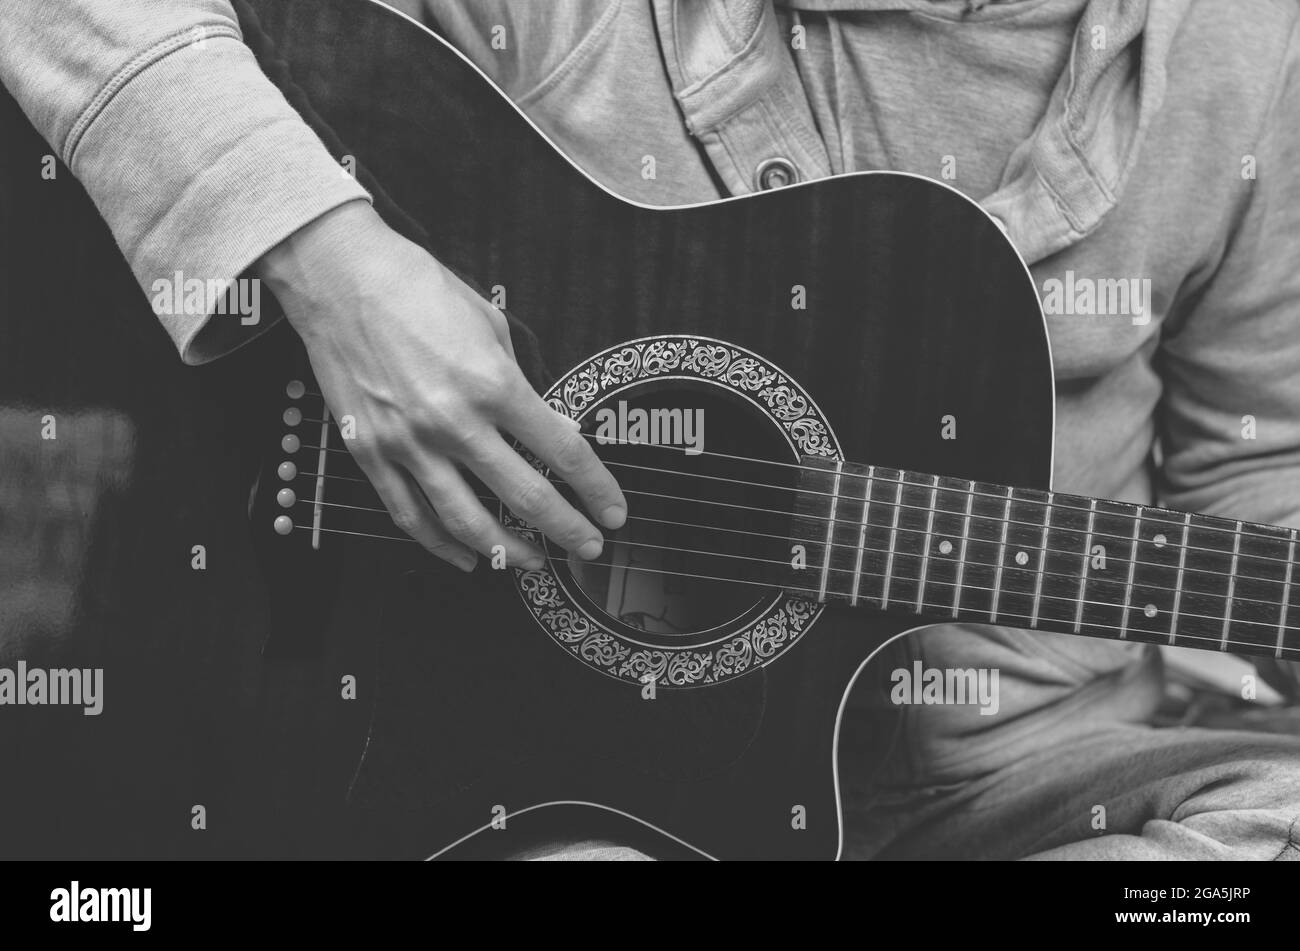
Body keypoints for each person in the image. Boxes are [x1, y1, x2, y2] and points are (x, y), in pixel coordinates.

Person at [3, 0, 1299, 860]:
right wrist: (332, 270)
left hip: (1042, 768)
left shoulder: (1251, 46)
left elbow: (1253, 465)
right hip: (568, 776)